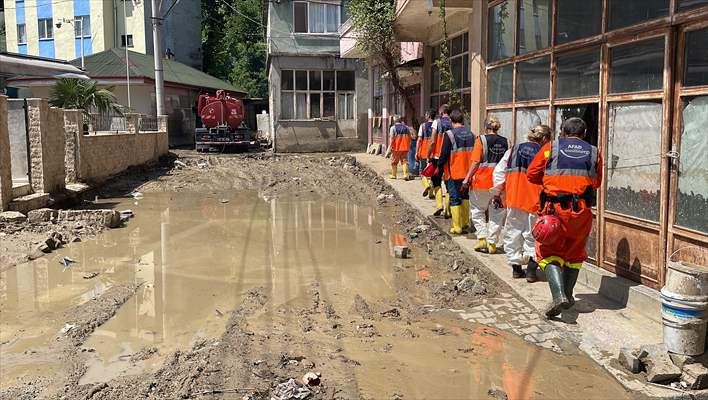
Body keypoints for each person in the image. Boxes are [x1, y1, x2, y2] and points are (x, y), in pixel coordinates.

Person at [527, 117, 602, 318]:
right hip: (581, 212)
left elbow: (532, 174)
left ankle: (558, 295)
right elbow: (597, 182)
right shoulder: (594, 152)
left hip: (554, 211)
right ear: (584, 133)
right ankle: (567, 296)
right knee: (575, 253)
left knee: (545, 251)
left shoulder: (549, 148)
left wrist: (552, 181)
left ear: (562, 132)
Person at [492, 125, 552, 282]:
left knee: (513, 233)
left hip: (514, 198)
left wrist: (498, 193)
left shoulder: (514, 149)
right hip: (536, 200)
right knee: (534, 235)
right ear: (545, 139)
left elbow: (499, 172)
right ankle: (531, 271)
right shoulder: (546, 152)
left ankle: (516, 269)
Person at [463, 115, 509, 254]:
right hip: (499, 183)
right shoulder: (506, 141)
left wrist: (466, 179)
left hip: (481, 182)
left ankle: (482, 237)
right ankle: (492, 243)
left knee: (477, 210)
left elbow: (476, 162)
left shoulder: (481, 140)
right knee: (497, 213)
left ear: (485, 127)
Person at [438, 109, 474, 234]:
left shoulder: (449, 134)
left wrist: (439, 168)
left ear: (451, 121)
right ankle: (465, 223)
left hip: (454, 172)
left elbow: (443, 155)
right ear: (462, 120)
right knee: (465, 196)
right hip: (468, 172)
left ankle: (457, 226)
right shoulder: (471, 134)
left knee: (454, 198)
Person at [427, 104, 453, 217]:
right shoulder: (453, 122)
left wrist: (429, 154)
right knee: (448, 182)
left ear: (441, 112)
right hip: (450, 157)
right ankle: (448, 209)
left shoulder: (437, 122)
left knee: (436, 180)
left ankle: (439, 206)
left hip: (437, 156)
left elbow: (432, 141)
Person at [416, 110, 436, 198]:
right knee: (432, 174)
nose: (425, 116)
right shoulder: (437, 126)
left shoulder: (422, 126)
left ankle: (426, 185)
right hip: (434, 152)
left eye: (425, 114)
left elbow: (419, 140)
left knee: (423, 172)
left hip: (424, 152)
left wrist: (416, 152)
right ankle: (431, 193)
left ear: (428, 115)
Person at [386, 115, 412, 180]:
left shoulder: (393, 128)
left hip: (396, 148)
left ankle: (394, 175)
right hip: (405, 147)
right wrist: (408, 146)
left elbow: (392, 138)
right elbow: (409, 137)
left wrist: (390, 148)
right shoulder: (406, 127)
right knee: (404, 161)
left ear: (394, 120)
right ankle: (405, 175)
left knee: (394, 161)